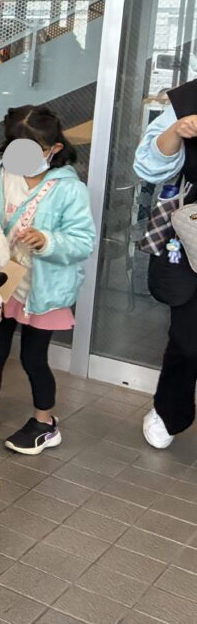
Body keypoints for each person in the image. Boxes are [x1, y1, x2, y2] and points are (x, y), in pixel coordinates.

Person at [0, 106, 96, 457]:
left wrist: (47, 241)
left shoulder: (69, 189)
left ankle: (45, 423)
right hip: (3, 284)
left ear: (54, 149)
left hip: (44, 290)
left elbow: (84, 242)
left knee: (33, 358)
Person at [134, 83, 197, 449]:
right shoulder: (189, 99)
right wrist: (178, 129)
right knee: (189, 339)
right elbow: (148, 166)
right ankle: (169, 410)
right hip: (193, 236)